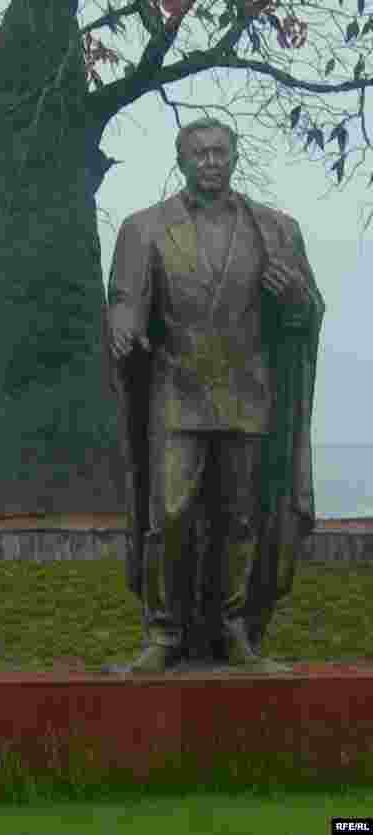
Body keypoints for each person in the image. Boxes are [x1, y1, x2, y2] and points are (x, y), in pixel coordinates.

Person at [106, 117, 324, 673]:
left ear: (233, 157)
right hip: (176, 391)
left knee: (243, 520)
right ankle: (166, 632)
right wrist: (123, 322)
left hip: (248, 392)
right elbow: (126, 295)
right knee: (169, 517)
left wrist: (296, 294)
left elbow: (307, 311)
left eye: (219, 152)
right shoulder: (145, 228)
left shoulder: (274, 229)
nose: (210, 161)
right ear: (181, 161)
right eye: (199, 153)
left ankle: (237, 632)